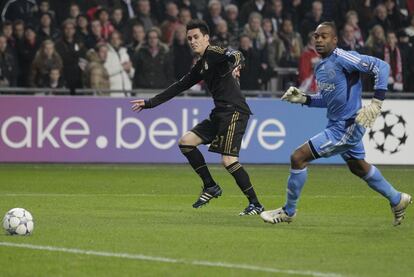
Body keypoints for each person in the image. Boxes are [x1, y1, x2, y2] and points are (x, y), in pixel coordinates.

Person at [260, 22, 411, 226]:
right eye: (316, 36)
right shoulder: (321, 65)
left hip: (347, 126)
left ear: (334, 39)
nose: (319, 40)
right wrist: (305, 99)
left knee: (298, 157)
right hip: (338, 124)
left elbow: (381, 67)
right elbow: (328, 100)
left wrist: (376, 102)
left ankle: (288, 211)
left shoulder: (343, 58)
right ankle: (397, 199)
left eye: (324, 36)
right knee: (358, 167)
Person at [131, 20, 265, 215]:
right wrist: (150, 103)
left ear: (206, 38)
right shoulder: (201, 65)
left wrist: (236, 64)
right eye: (189, 38)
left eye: (196, 37)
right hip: (220, 113)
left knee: (228, 160)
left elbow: (236, 54)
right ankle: (210, 186)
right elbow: (179, 86)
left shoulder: (213, 52)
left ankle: (256, 204)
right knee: (186, 142)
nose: (193, 41)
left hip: (235, 111)